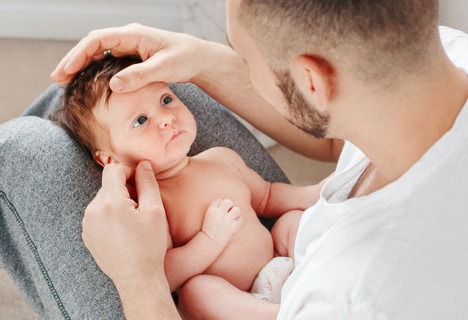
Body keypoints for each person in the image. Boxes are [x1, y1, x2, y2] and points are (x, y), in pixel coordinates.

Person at [50, 0, 468, 319]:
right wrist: (199, 57)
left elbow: (171, 273)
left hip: (259, 299)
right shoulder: (449, 52)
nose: (239, 68)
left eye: (245, 60)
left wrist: (135, 277)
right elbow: (324, 152)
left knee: (27, 147)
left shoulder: (355, 300)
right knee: (86, 102)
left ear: (311, 82)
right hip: (289, 261)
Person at [50, 54, 324, 310]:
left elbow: (268, 197)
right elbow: (164, 275)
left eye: (166, 100)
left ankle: (324, 277)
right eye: (141, 120)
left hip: (279, 264)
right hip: (236, 301)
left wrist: (318, 193)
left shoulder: (221, 159)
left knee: (292, 221)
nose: (167, 118)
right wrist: (210, 239)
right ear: (110, 160)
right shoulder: (150, 204)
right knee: (197, 292)